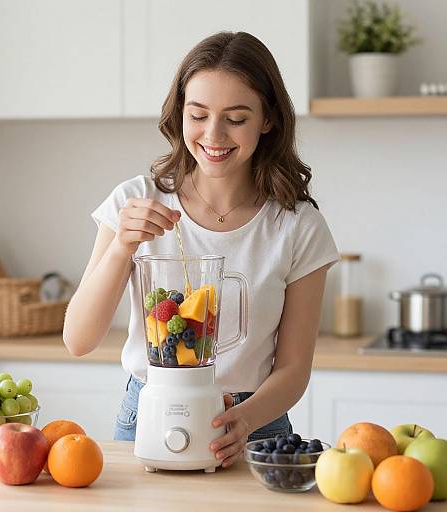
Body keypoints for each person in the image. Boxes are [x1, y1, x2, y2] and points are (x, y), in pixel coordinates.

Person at [63, 31, 339, 469]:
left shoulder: (296, 225)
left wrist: (242, 421)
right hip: (149, 410)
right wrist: (121, 247)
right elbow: (78, 339)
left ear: (267, 120)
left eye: (236, 118)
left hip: (256, 426)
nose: (214, 134)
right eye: (199, 114)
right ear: (180, 115)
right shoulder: (136, 200)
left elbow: (293, 370)